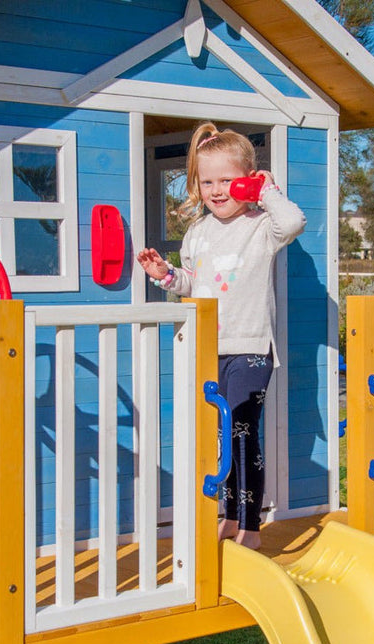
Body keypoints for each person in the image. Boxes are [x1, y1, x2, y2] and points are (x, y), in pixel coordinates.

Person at [137, 122, 305, 550]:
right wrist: (166, 276)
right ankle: (228, 517)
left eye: (227, 180)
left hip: (250, 349)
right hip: (209, 349)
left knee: (244, 433)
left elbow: (294, 221)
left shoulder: (261, 225)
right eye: (206, 181)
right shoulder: (198, 233)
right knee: (223, 437)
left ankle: (251, 525)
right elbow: (192, 284)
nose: (216, 190)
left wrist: (266, 190)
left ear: (247, 179)